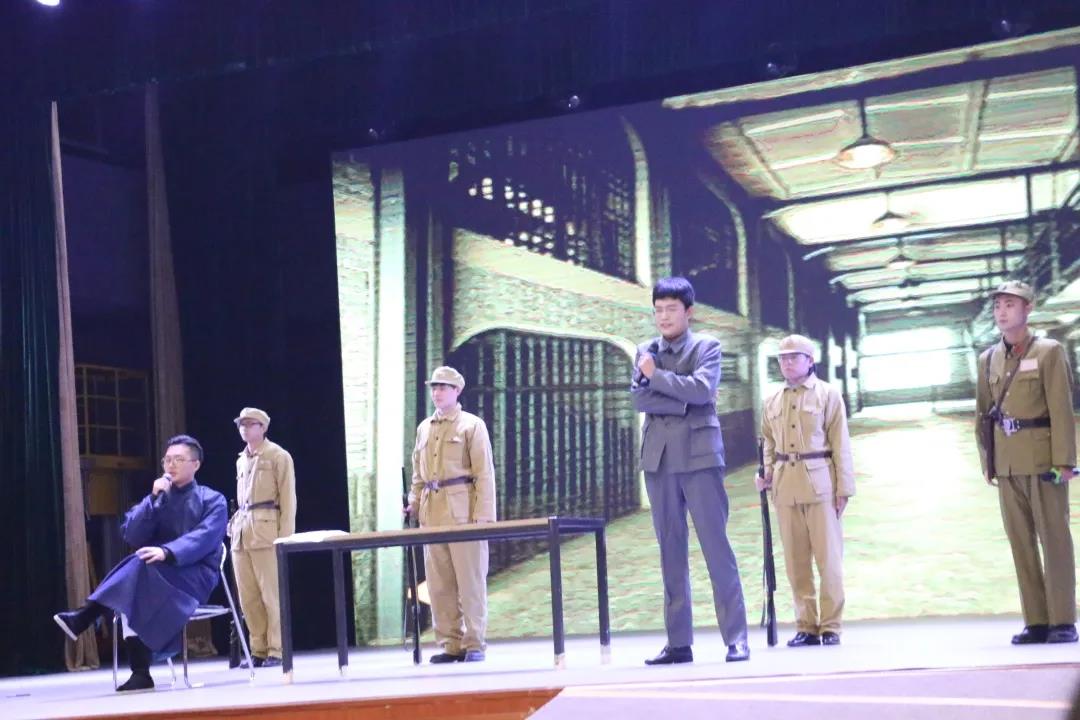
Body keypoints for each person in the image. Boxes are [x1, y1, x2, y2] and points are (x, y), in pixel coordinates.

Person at [631, 276, 749, 665]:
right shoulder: (644, 350)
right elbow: (639, 399)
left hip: (700, 457)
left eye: (671, 309)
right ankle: (678, 643)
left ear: (689, 312)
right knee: (670, 552)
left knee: (716, 548)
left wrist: (657, 378)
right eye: (658, 310)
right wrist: (680, 401)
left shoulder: (707, 347)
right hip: (659, 460)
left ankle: (736, 638)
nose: (664, 317)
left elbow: (703, 390)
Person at [53, 435, 227, 691]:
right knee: (135, 578)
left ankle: (87, 616)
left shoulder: (212, 499)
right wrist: (153, 501)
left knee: (137, 571)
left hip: (194, 574)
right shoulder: (158, 498)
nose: (171, 465)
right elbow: (132, 534)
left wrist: (167, 552)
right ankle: (139, 672)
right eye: (167, 460)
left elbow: (204, 538)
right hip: (154, 573)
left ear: (196, 464)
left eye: (178, 459)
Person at [975, 280, 1077, 645]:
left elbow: (1061, 409)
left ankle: (1062, 620)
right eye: (998, 305)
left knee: (1055, 540)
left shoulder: (1049, 351)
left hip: (1043, 461)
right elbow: (983, 415)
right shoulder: (988, 359)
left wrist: (1065, 461)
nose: (1002, 312)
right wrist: (988, 461)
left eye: (1010, 304)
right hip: (1007, 465)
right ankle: (1036, 621)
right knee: (1021, 545)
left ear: (1028, 308)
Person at [755, 334, 855, 647]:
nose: (787, 362)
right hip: (785, 487)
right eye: (782, 358)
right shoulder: (772, 401)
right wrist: (767, 472)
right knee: (796, 564)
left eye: (794, 357)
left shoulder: (828, 395)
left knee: (829, 562)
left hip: (821, 485)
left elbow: (841, 444)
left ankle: (831, 626)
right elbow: (768, 441)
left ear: (810, 361)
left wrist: (844, 488)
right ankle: (806, 626)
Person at [406, 366, 496, 663]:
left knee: (470, 582)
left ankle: (475, 643)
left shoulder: (471, 425)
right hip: (432, 514)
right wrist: (413, 502)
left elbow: (484, 473)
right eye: (434, 387)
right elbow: (418, 474)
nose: (437, 392)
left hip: (463, 512)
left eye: (443, 387)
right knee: (439, 584)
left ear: (457, 391)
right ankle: (450, 643)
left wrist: (483, 518)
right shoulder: (424, 428)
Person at [228, 407, 296, 668]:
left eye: (250, 423)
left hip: (267, 532)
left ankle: (277, 649)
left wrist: (285, 538)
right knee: (249, 597)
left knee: (272, 595)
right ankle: (257, 649)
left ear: (263, 427)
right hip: (242, 532)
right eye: (241, 424)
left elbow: (288, 499)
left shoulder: (278, 456)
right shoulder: (241, 459)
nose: (244, 428)